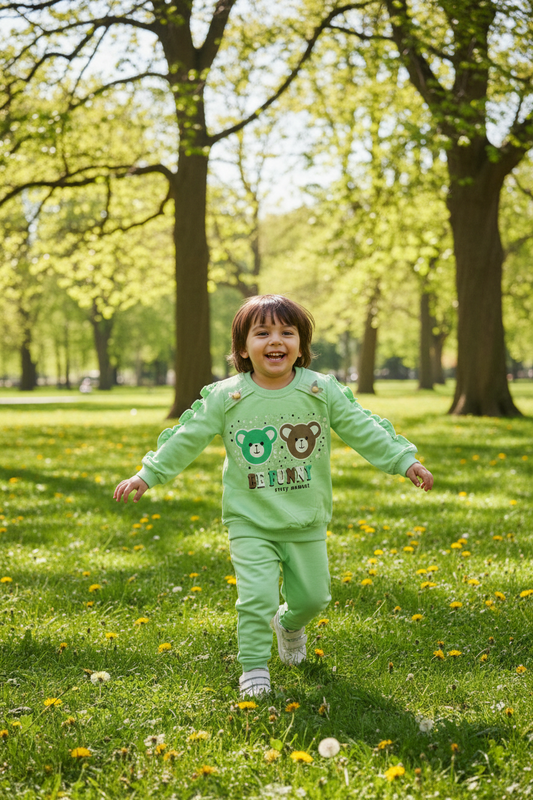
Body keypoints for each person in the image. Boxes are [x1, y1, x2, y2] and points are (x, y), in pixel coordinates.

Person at [114, 294, 433, 698]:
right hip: (250, 520)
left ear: (301, 345)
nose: (275, 340)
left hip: (305, 517)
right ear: (242, 348)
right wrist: (149, 474)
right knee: (256, 599)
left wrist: (404, 460)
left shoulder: (320, 390)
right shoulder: (227, 396)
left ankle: (289, 625)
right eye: (262, 333)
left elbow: (362, 428)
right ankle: (253, 668)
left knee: (314, 598)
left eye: (287, 332)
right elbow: (186, 437)